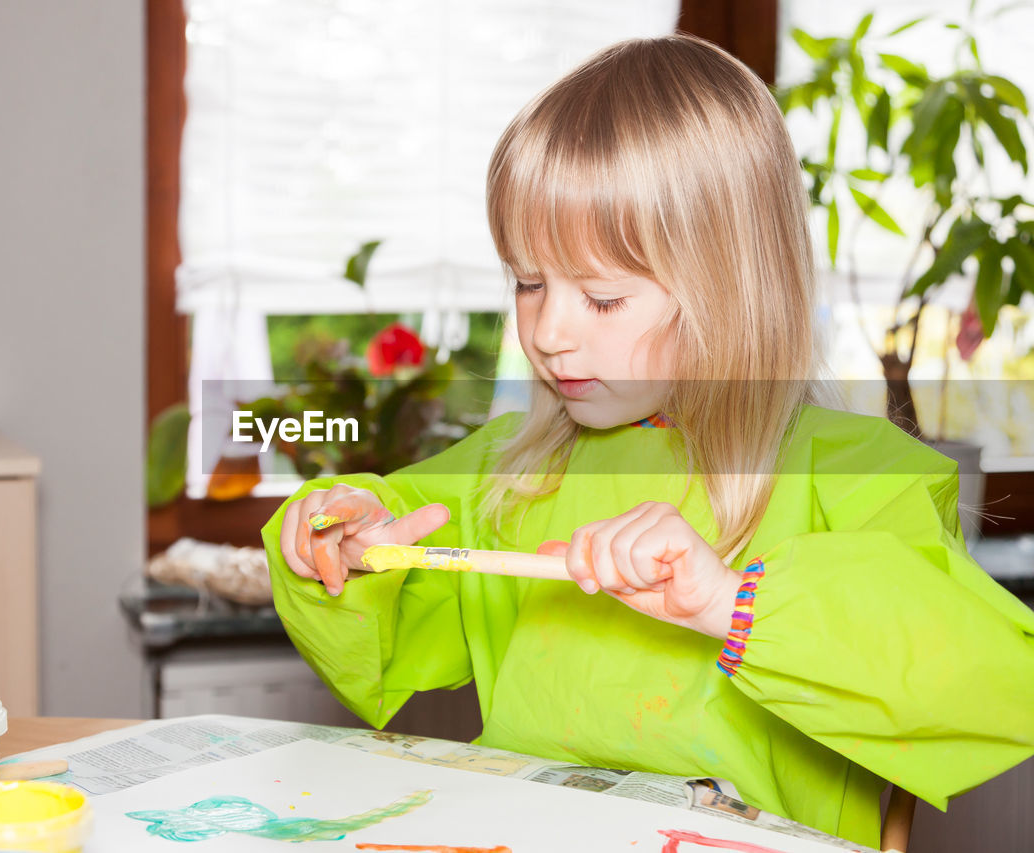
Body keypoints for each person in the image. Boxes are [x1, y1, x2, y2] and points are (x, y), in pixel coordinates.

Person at [260, 34, 1034, 849]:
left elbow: (980, 683)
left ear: (728, 292)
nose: (548, 331)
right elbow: (396, 582)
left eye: (600, 297)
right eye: (528, 282)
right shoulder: (510, 468)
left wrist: (732, 603)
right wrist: (344, 542)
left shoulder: (862, 475)